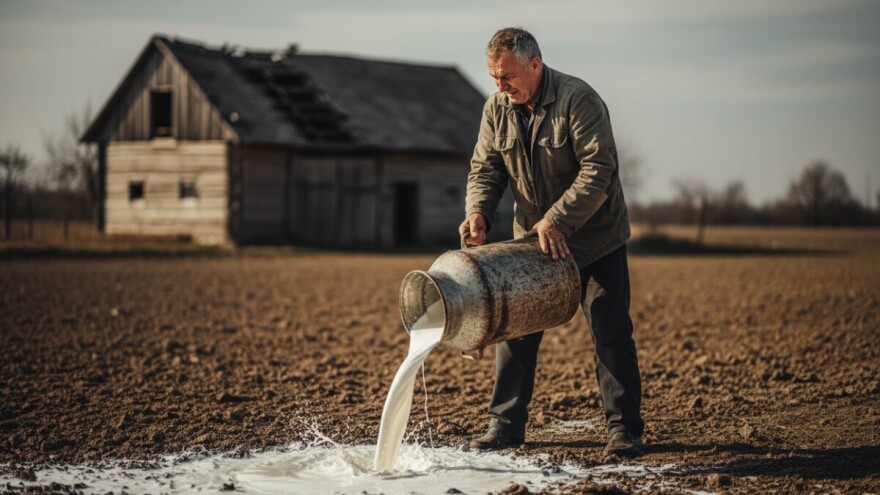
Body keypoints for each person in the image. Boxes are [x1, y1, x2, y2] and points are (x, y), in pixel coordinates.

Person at [459, 27, 644, 457]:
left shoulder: (578, 99)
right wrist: (479, 213)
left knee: (609, 330)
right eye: (494, 78)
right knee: (516, 329)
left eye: (507, 77)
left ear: (535, 65)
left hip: (595, 239)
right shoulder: (496, 109)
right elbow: (486, 169)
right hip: (533, 244)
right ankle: (504, 425)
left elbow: (599, 170)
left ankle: (624, 430)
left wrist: (558, 219)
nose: (500, 87)